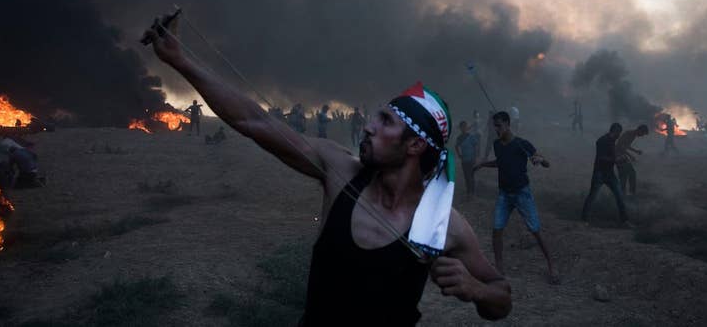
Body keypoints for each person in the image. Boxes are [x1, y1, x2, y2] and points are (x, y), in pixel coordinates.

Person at [143, 19, 511, 324]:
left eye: (385, 122)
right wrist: (181, 60)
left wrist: (477, 290)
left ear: (415, 145)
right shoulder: (341, 173)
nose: (368, 127)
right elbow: (253, 119)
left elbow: (502, 298)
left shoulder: (441, 223)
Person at [474, 111, 558, 284]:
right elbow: (501, 162)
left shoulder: (522, 144)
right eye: (494, 126)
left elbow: (546, 162)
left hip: (522, 193)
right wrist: (483, 164)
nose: (496, 129)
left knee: (535, 230)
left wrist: (539, 160)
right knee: (497, 229)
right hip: (504, 194)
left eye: (499, 125)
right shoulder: (497, 144)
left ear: (507, 124)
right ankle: (499, 269)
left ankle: (551, 265)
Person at [581, 123, 630, 226]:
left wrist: (619, 159)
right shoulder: (602, 141)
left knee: (619, 196)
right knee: (592, 196)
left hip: (609, 173)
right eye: (618, 133)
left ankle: (624, 221)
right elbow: (601, 158)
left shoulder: (612, 141)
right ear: (615, 131)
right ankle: (584, 219)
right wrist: (616, 160)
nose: (619, 136)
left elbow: (611, 156)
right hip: (599, 173)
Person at [614, 125, 649, 195]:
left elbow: (626, 145)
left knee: (629, 174)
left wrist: (636, 151)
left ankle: (628, 192)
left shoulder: (632, 135)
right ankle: (625, 193)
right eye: (643, 133)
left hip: (621, 155)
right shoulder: (629, 134)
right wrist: (631, 156)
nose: (642, 136)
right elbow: (621, 146)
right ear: (639, 130)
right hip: (618, 156)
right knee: (626, 175)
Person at [454, 121, 480, 199]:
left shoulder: (471, 136)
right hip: (464, 159)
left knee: (471, 176)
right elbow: (456, 146)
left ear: (467, 127)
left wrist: (475, 157)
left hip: (471, 159)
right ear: (460, 128)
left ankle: (472, 192)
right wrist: (459, 155)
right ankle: (469, 192)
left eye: (465, 127)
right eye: (462, 127)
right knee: (466, 176)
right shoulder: (459, 138)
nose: (464, 128)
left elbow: (476, 146)